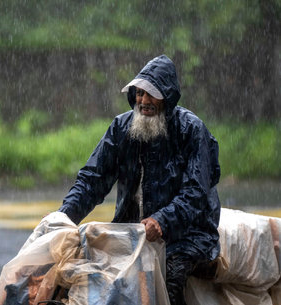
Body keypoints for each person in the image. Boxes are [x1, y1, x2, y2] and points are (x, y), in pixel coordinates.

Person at [58, 55, 221, 304]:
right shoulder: (121, 128)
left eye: (150, 94)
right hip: (131, 229)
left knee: (170, 276)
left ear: (167, 97)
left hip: (188, 234)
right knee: (86, 269)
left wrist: (163, 220)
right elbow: (92, 180)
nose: (143, 101)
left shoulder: (191, 131)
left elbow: (196, 192)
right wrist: (63, 218)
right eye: (139, 93)